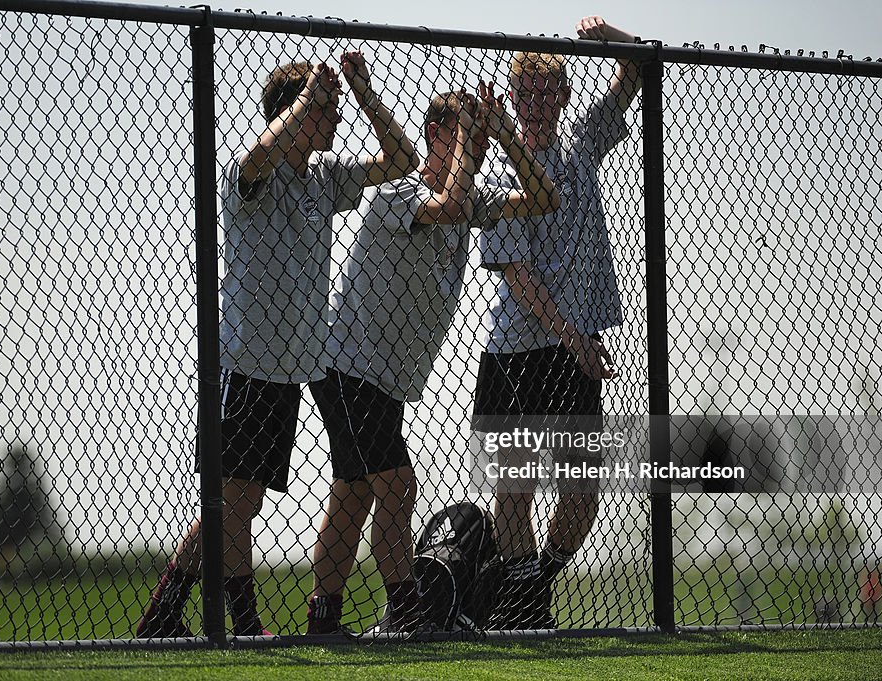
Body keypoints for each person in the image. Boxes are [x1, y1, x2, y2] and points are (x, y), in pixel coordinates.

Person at [136, 51, 419, 638]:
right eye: (327, 110)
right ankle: (237, 622)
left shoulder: (323, 179)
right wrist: (305, 100)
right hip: (246, 364)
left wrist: (362, 92)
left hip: (288, 369)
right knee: (232, 502)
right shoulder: (252, 176)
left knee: (236, 502)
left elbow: (402, 160)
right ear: (292, 111)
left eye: (336, 110)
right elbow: (260, 154)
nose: (335, 119)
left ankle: (167, 610)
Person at [304, 82, 560, 635]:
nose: (476, 154)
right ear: (435, 137)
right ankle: (407, 613)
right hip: (348, 368)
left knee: (351, 496)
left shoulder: (474, 197)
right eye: (463, 138)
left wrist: (506, 138)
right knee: (397, 484)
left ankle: (323, 619)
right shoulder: (398, 194)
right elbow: (445, 208)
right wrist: (474, 134)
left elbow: (545, 199)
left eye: (477, 144)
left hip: (385, 380)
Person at [470, 15, 642, 630]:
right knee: (514, 489)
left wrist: (612, 37)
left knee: (581, 494)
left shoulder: (579, 145)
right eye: (526, 96)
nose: (538, 105)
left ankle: (530, 581)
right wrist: (574, 340)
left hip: (575, 348)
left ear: (566, 98)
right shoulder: (497, 176)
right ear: (512, 103)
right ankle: (520, 604)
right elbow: (519, 277)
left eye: (549, 94)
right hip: (520, 347)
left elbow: (638, 70)